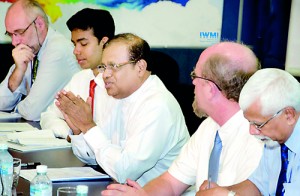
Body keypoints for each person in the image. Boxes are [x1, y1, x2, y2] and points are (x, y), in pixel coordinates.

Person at [101, 41, 264, 196]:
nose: (192, 82)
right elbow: (170, 182)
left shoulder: (258, 137)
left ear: (209, 87)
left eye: (195, 75)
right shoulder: (209, 127)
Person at [54, 33, 190, 186]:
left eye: (114, 66)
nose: (105, 74)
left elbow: (124, 172)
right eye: (104, 67)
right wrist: (80, 132)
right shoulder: (119, 95)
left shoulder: (157, 105)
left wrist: (88, 126)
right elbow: (98, 157)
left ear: (140, 67)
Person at [197, 68, 300, 196]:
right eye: (249, 122)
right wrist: (222, 191)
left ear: (289, 115)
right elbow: (258, 186)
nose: (252, 131)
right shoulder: (274, 140)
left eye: (258, 124)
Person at [40, 8, 115, 139]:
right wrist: (71, 133)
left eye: (83, 44)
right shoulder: (79, 79)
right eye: (74, 44)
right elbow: (48, 116)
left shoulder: (119, 83)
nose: (76, 51)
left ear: (104, 42)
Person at [0, 0, 80, 121]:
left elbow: (32, 112)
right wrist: (19, 70)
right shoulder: (30, 49)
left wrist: (15, 108)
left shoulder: (57, 50)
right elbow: (1, 102)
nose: (14, 42)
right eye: (11, 34)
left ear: (39, 24)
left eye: (19, 32)